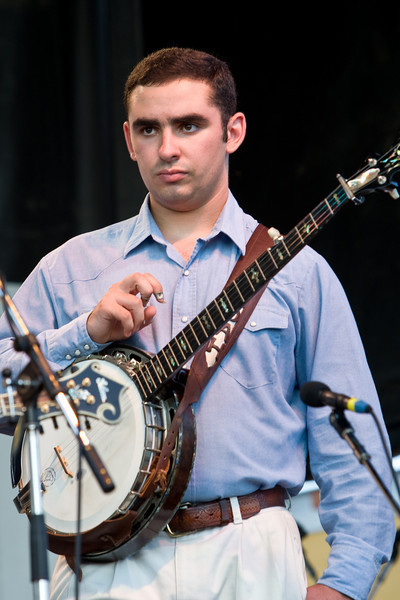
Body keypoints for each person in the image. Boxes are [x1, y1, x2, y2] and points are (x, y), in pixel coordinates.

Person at [0, 47, 395, 600]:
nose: (167, 148)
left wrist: (345, 584)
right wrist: (85, 332)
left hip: (250, 549)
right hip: (104, 564)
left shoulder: (300, 273)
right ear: (128, 139)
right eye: (149, 129)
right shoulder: (71, 268)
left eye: (188, 125)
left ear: (233, 131)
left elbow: (351, 445)